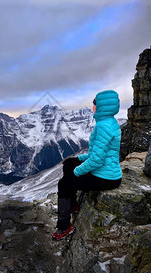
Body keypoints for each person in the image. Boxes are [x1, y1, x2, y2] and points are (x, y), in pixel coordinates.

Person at [51, 90, 123, 241]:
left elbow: (97, 160)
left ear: (102, 106)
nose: (93, 108)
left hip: (105, 178)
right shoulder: (110, 122)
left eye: (95, 105)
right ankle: (73, 205)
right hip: (109, 172)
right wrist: (78, 159)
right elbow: (99, 153)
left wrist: (77, 172)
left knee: (64, 183)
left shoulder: (103, 126)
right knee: (69, 163)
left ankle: (64, 227)